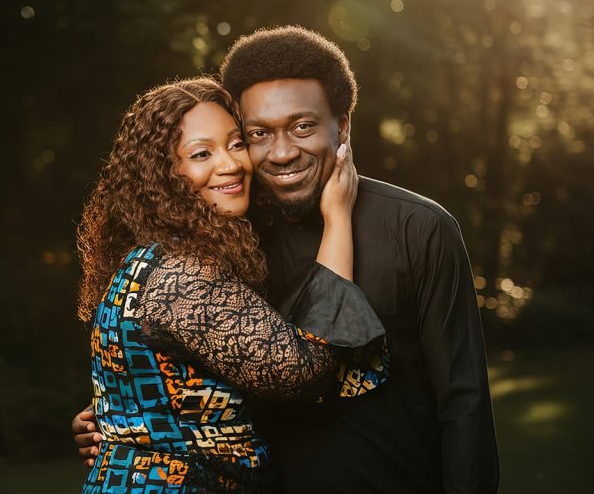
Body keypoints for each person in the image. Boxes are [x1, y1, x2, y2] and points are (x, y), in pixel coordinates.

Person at [75, 27, 500, 493]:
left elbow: (465, 402)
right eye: (258, 134)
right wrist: (121, 420)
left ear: (343, 124)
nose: (281, 153)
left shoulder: (419, 228)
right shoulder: (226, 235)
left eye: (303, 126)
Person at [76, 77, 387, 493]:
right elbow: (306, 370)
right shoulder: (183, 276)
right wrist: (337, 218)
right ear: (162, 174)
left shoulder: (150, 260)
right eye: (202, 153)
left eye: (236, 143)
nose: (231, 164)